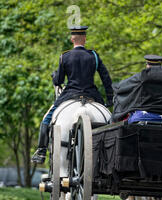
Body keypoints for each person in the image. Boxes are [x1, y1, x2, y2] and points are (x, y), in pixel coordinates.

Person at [31, 26, 114, 164]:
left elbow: (58, 81)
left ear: (72, 39)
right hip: (91, 94)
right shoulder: (93, 55)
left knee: (46, 119)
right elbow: (106, 78)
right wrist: (110, 98)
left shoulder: (65, 56)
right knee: (110, 120)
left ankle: (41, 150)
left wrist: (54, 77)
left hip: (69, 94)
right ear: (85, 39)